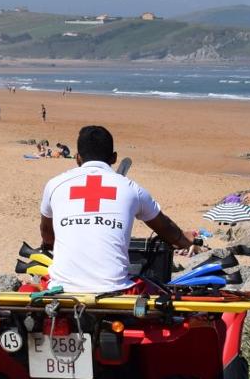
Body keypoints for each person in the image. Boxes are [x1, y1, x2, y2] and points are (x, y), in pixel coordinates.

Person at [38, 125, 197, 295]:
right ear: (114, 158)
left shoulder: (55, 185)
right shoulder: (131, 189)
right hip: (115, 289)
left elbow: (46, 231)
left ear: (77, 158)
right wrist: (184, 239)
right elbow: (165, 228)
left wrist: (50, 244)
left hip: (62, 288)